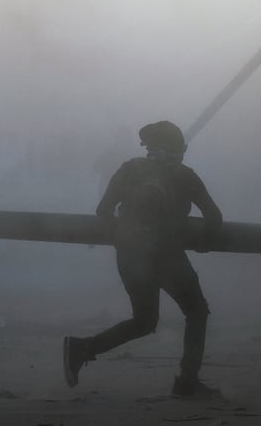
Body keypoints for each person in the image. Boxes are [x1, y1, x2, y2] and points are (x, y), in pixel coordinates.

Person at [63, 121, 223, 397]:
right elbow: (214, 217)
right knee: (196, 311)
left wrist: (128, 238)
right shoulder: (185, 176)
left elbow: (104, 211)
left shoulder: (128, 169)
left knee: (144, 321)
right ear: (177, 149)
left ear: (149, 147)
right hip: (168, 256)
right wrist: (204, 242)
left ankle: (81, 349)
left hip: (129, 256)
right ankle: (187, 382)